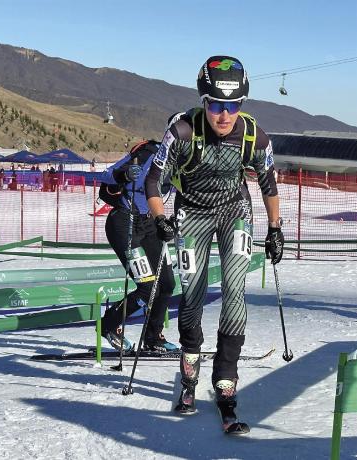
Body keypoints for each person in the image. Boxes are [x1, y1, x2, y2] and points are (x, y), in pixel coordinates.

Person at [145, 55, 284, 427]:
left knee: (235, 291)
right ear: (203, 101)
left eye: (233, 105)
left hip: (234, 211)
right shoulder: (183, 130)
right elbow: (152, 183)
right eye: (216, 105)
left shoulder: (254, 134)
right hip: (191, 213)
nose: (224, 115)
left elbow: (268, 182)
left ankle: (225, 380)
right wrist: (160, 217)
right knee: (192, 293)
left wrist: (275, 228)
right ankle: (188, 377)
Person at [98, 140, 178, 353]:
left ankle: (153, 336)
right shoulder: (149, 153)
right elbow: (106, 175)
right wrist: (124, 175)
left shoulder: (185, 159)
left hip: (150, 223)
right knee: (147, 287)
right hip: (125, 223)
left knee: (167, 283)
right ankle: (110, 324)